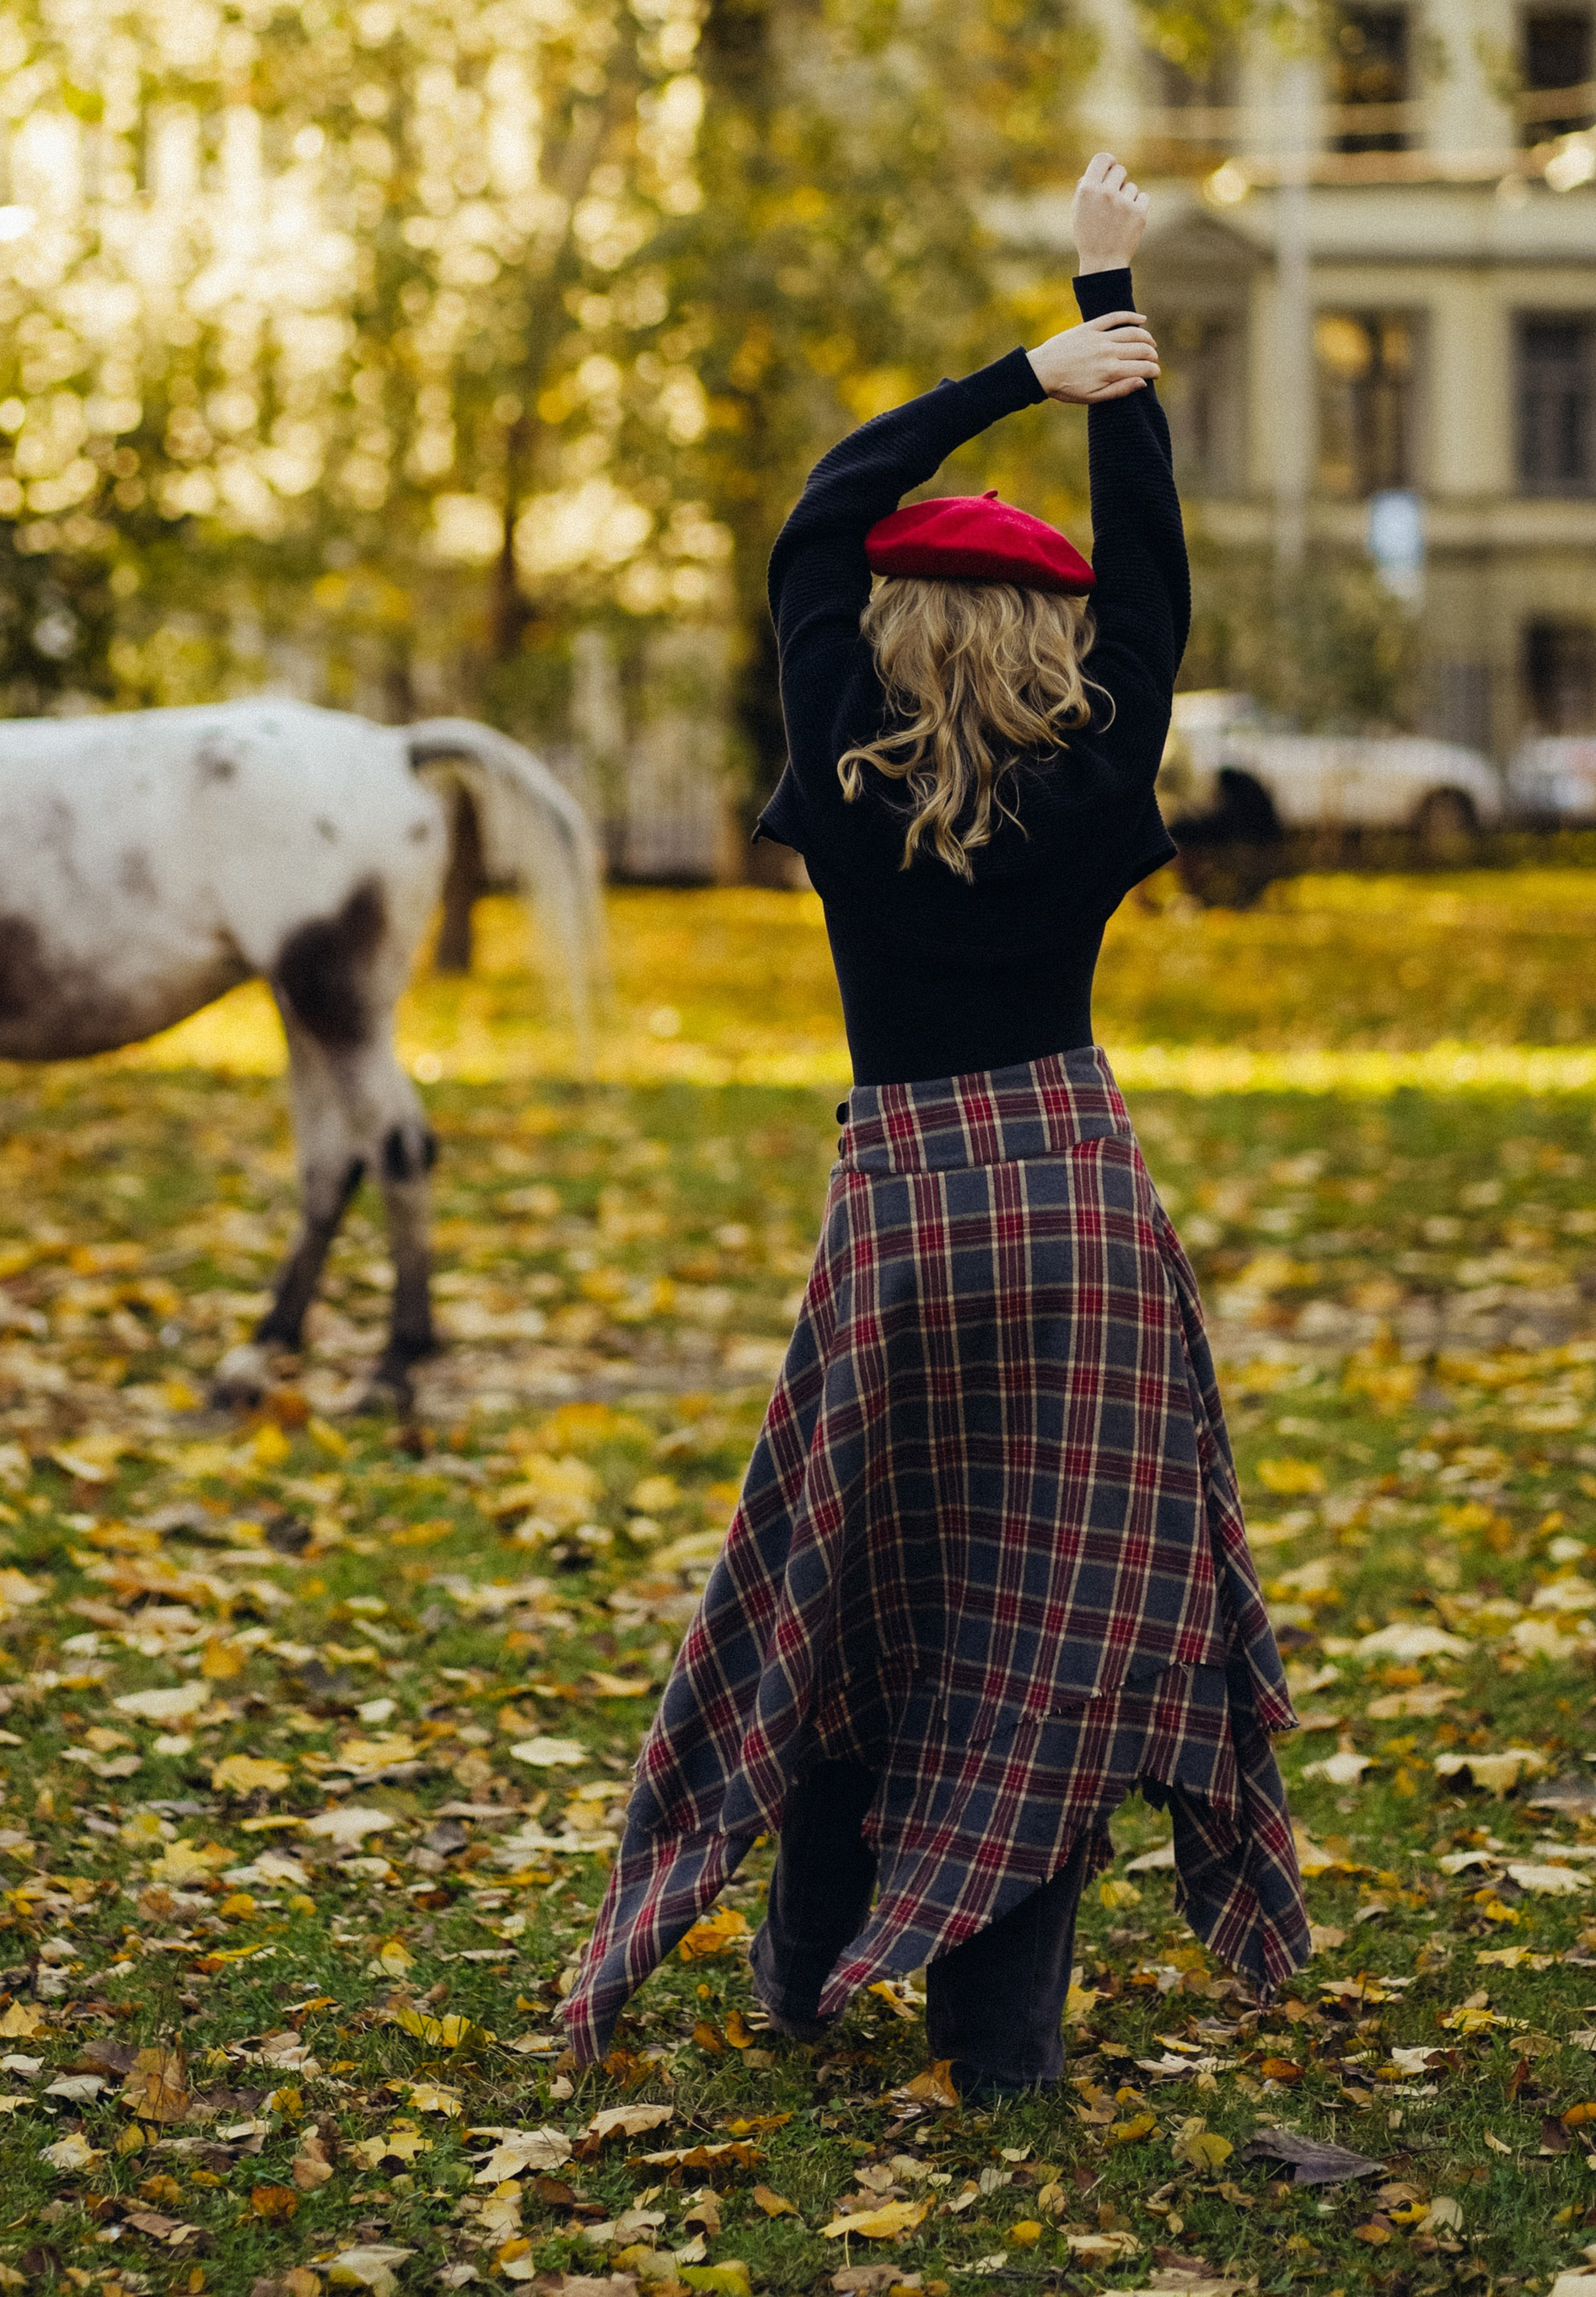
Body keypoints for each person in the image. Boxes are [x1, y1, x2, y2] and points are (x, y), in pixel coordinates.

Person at [560, 154, 1309, 2097]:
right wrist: (1107, 319)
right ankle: (1000, 2048)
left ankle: (801, 1976)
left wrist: (1019, 375)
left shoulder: (840, 753)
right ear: (1057, 638)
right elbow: (1152, 573)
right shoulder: (1098, 751)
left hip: (905, 1213)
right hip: (1071, 1207)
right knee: (1048, 1616)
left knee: (859, 1612)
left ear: (883, 625)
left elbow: (821, 510)